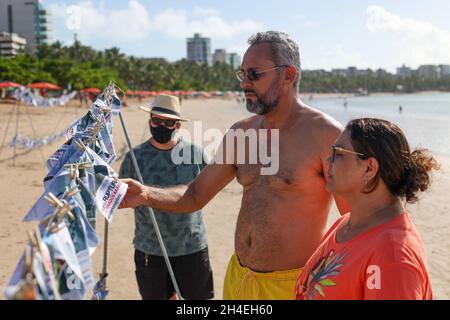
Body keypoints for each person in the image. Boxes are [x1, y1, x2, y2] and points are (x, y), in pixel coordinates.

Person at [119, 31, 348, 299]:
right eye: (242, 74)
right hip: (239, 279)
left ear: (288, 75)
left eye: (254, 74)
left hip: (291, 285)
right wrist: (145, 194)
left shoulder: (326, 136)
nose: (244, 84)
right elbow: (194, 195)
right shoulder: (240, 133)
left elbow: (355, 221)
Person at [296, 118, 439, 300]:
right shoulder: (345, 223)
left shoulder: (392, 256)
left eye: (337, 153)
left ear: (369, 168)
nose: (327, 159)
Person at [119, 94, 214, 300]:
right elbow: (119, 195)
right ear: (150, 121)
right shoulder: (134, 158)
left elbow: (207, 191)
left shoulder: (195, 154)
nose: (161, 125)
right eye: (156, 120)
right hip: (150, 250)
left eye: (168, 122)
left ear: (177, 125)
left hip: (191, 247)